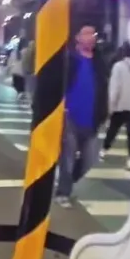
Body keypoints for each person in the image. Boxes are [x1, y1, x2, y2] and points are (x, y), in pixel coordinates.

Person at [49, 24, 109, 208]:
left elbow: (104, 89)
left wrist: (104, 113)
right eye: (87, 33)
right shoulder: (70, 59)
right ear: (78, 37)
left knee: (89, 161)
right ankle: (63, 192)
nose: (91, 37)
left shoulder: (99, 62)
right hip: (70, 117)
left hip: (92, 119)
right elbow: (57, 84)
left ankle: (66, 181)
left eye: (93, 34)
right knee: (67, 158)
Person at [103, 42, 130, 170]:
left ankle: (104, 149)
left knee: (113, 129)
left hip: (120, 105)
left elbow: (115, 89)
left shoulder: (118, 66)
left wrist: (110, 107)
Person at [7, 40, 28, 105]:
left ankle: (20, 96)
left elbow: (10, 61)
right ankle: (21, 97)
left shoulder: (14, 52)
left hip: (15, 72)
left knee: (17, 86)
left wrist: (9, 69)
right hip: (22, 72)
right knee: (22, 87)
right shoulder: (26, 51)